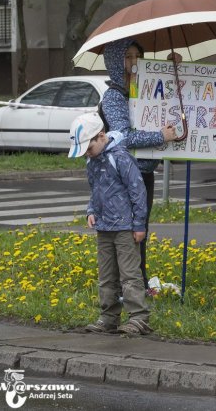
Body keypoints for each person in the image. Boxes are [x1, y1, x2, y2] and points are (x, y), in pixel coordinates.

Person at [101, 38, 177, 294]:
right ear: (115, 61)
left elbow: (171, 101)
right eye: (127, 56)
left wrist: (171, 71)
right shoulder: (113, 96)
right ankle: (128, 289)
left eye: (137, 56)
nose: (134, 62)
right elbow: (122, 135)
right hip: (123, 176)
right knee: (129, 232)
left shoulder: (144, 88)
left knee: (140, 230)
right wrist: (159, 137)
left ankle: (137, 285)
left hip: (144, 172)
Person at [68, 112, 152, 335]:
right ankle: (109, 316)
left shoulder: (121, 157)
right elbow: (94, 189)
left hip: (125, 227)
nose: (86, 153)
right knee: (106, 276)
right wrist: (91, 211)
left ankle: (139, 317)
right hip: (104, 227)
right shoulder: (91, 161)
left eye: (88, 147)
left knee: (129, 274)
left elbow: (138, 191)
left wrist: (139, 224)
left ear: (101, 136)